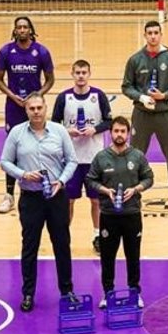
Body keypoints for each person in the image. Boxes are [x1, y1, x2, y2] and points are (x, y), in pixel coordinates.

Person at [0, 92, 77, 313]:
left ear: (45, 108)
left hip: (56, 197)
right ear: (26, 110)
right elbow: (4, 162)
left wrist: (61, 181)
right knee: (29, 247)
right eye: (31, 108)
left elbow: (72, 160)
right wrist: (23, 174)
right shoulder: (16, 133)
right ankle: (28, 293)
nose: (36, 112)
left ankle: (67, 291)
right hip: (30, 198)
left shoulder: (59, 131)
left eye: (39, 108)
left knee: (62, 244)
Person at [87, 116, 155, 308]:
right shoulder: (101, 157)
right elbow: (90, 180)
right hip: (108, 215)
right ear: (111, 133)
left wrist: (136, 189)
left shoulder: (137, 156)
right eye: (116, 131)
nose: (119, 135)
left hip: (132, 214)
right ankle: (108, 293)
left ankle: (135, 293)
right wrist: (104, 190)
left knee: (133, 256)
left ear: (128, 133)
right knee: (107, 258)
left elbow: (149, 178)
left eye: (122, 131)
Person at [122, 20, 168, 212]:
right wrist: (141, 97)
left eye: (156, 33)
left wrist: (164, 96)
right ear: (145, 35)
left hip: (165, 114)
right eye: (149, 33)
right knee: (135, 156)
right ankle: (132, 195)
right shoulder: (135, 60)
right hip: (142, 115)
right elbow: (126, 86)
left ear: (161, 35)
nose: (153, 36)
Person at [0, 16, 55, 214]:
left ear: (30, 30)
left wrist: (36, 97)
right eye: (18, 27)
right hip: (13, 107)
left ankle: (42, 186)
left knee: (38, 145)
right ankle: (9, 195)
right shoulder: (5, 51)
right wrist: (12, 96)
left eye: (25, 27)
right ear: (14, 30)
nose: (21, 30)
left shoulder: (41, 52)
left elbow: (50, 80)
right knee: (13, 149)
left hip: (34, 107)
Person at [52, 59, 112, 251]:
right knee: (68, 201)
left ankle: (98, 235)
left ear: (89, 74)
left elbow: (109, 122)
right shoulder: (64, 97)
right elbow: (53, 125)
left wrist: (95, 129)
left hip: (94, 159)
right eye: (77, 72)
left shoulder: (98, 96)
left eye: (84, 72)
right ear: (72, 74)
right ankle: (64, 236)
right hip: (71, 160)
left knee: (96, 200)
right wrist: (67, 131)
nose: (80, 76)